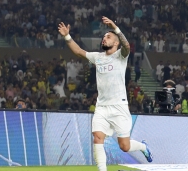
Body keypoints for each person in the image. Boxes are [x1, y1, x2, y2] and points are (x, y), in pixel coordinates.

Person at [58, 17, 152, 171]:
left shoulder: (121, 55)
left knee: (124, 146)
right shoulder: (98, 57)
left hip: (119, 106)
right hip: (102, 106)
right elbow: (78, 51)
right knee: (98, 137)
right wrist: (67, 36)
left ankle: (142, 146)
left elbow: (127, 45)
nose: (104, 39)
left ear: (116, 43)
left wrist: (115, 28)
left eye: (108, 37)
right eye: (103, 37)